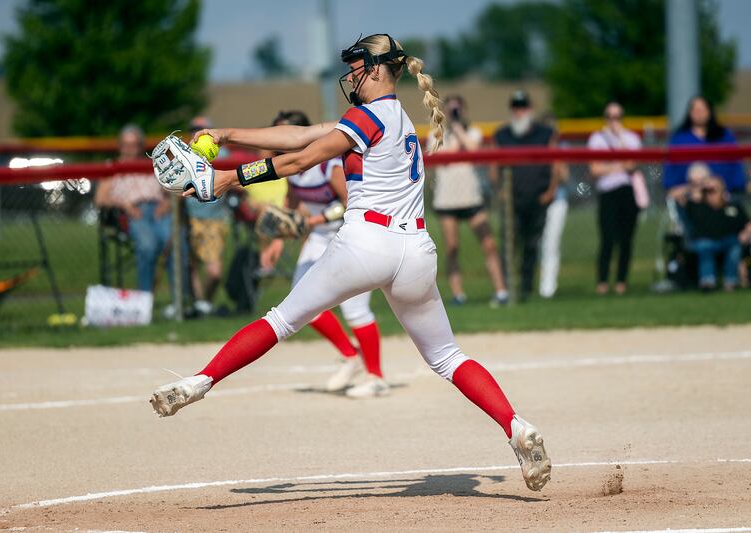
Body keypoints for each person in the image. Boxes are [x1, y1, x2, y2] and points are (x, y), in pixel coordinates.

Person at [150, 34, 551, 493]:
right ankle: (516, 427)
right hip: (416, 251)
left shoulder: (369, 115)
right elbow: (300, 135)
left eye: (358, 66)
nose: (352, 75)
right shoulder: (392, 116)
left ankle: (201, 382)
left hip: (367, 241)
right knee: (448, 357)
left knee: (280, 320)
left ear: (378, 68)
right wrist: (225, 135)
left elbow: (301, 157)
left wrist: (228, 177)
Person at [259, 110, 387, 397]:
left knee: (355, 308)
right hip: (320, 237)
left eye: (287, 134)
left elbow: (349, 202)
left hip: (352, 234)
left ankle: (376, 376)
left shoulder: (327, 165)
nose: (282, 141)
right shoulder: (291, 167)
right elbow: (291, 206)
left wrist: (312, 221)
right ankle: (350, 356)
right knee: (300, 300)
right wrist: (278, 240)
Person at [94, 124, 188, 318]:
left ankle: (180, 303)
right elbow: (100, 199)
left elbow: (176, 189)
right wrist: (124, 205)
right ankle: (144, 304)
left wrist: (167, 204)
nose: (131, 149)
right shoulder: (112, 167)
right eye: (127, 145)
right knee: (147, 246)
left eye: (135, 145)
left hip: (159, 210)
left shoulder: (153, 163)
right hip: (131, 213)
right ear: (120, 146)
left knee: (175, 241)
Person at [432, 95, 508, 307]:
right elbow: (445, 157)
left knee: (489, 244)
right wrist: (453, 132)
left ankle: (501, 291)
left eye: (458, 110)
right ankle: (458, 294)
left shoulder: (472, 132)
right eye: (451, 111)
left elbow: (474, 150)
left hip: (471, 199)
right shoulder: (436, 135)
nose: (455, 114)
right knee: (452, 248)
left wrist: (458, 129)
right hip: (447, 201)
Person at [492, 91, 559, 301]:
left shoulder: (544, 133)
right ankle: (507, 289)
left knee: (532, 244)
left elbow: (556, 162)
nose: (519, 111)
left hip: (538, 198)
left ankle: (527, 288)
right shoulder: (502, 134)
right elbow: (494, 166)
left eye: (522, 107)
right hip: (513, 199)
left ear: (529, 109)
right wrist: (500, 190)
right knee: (509, 244)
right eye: (515, 107)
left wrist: (551, 190)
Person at [587, 102, 643, 295]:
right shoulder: (597, 139)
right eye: (610, 117)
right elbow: (594, 170)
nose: (613, 121)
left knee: (626, 239)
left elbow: (632, 164)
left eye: (617, 117)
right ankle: (602, 281)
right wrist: (618, 166)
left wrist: (619, 142)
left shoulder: (631, 138)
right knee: (607, 238)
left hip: (627, 191)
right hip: (607, 192)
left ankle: (621, 281)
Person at [671, 172, 751, 291]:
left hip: (729, 240)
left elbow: (747, 223)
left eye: (713, 190)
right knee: (705, 246)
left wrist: (746, 233)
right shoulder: (696, 205)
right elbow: (674, 195)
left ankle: (730, 281)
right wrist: (694, 188)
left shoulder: (733, 206)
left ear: (722, 190)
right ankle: (708, 282)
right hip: (704, 241)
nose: (709, 194)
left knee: (734, 246)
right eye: (706, 190)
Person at [185, 117, 232, 316]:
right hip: (188, 218)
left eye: (201, 128)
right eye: (194, 129)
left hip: (214, 218)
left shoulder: (223, 153)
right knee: (190, 265)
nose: (197, 132)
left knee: (214, 271)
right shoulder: (183, 155)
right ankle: (200, 305)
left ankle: (204, 301)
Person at [663, 96, 747, 198]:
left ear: (709, 111)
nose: (698, 113)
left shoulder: (724, 136)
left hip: (723, 196)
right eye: (694, 109)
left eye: (702, 109)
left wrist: (734, 188)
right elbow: (670, 170)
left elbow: (736, 166)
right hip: (689, 197)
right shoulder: (679, 138)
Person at [538, 112, 570, 299]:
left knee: (551, 244)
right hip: (540, 201)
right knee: (538, 243)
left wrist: (556, 158)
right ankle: (537, 284)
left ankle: (548, 287)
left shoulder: (561, 147)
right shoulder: (536, 146)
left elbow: (564, 175)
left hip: (557, 201)